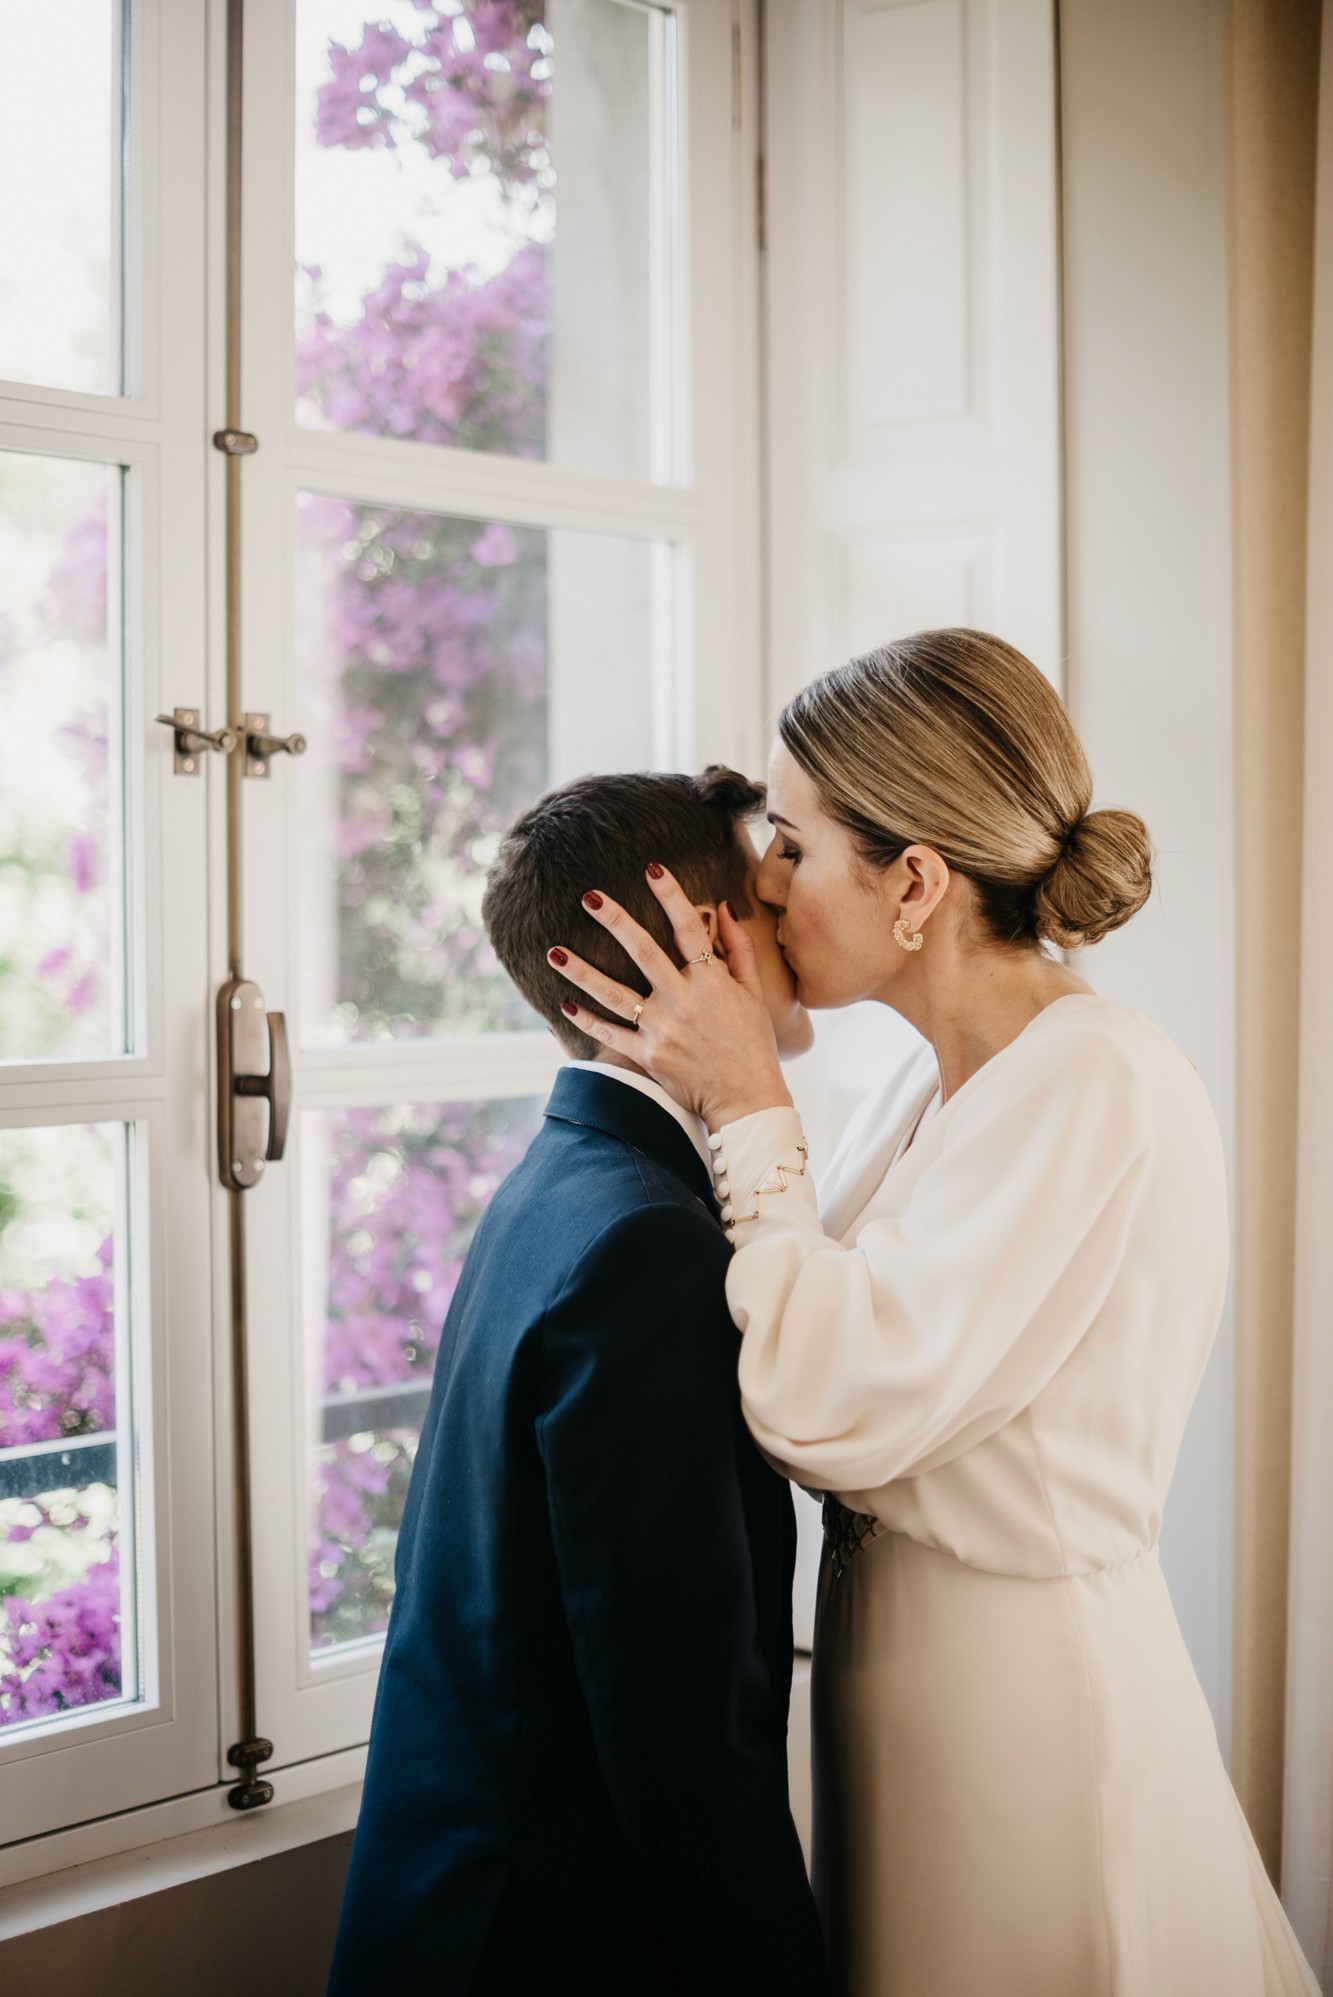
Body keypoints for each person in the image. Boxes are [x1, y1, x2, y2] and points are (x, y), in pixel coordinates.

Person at [547, 630, 1321, 1997]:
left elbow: (826, 1401)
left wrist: (745, 1105)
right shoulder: (930, 1087)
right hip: (905, 1700)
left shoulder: (1095, 1081)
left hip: (1025, 1725)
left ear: (913, 882)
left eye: (790, 843)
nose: (761, 883)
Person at [326, 767, 830, 1997]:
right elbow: (673, 1705)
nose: (792, 915)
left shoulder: (558, 1182)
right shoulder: (646, 1244)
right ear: (712, 941)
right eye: (769, 892)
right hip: (552, 1937)